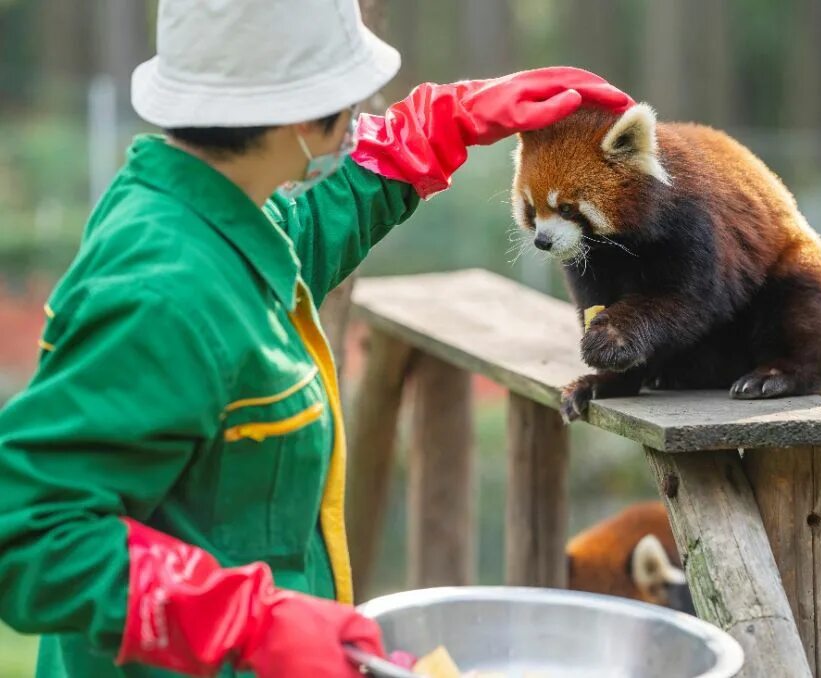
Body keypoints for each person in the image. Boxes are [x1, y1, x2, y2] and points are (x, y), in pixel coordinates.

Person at [0, 0, 633, 676]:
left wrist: (444, 124)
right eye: (349, 92)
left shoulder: (215, 216)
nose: (362, 108)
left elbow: (300, 234)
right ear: (302, 114)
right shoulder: (164, 292)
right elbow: (29, 532)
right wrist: (246, 622)